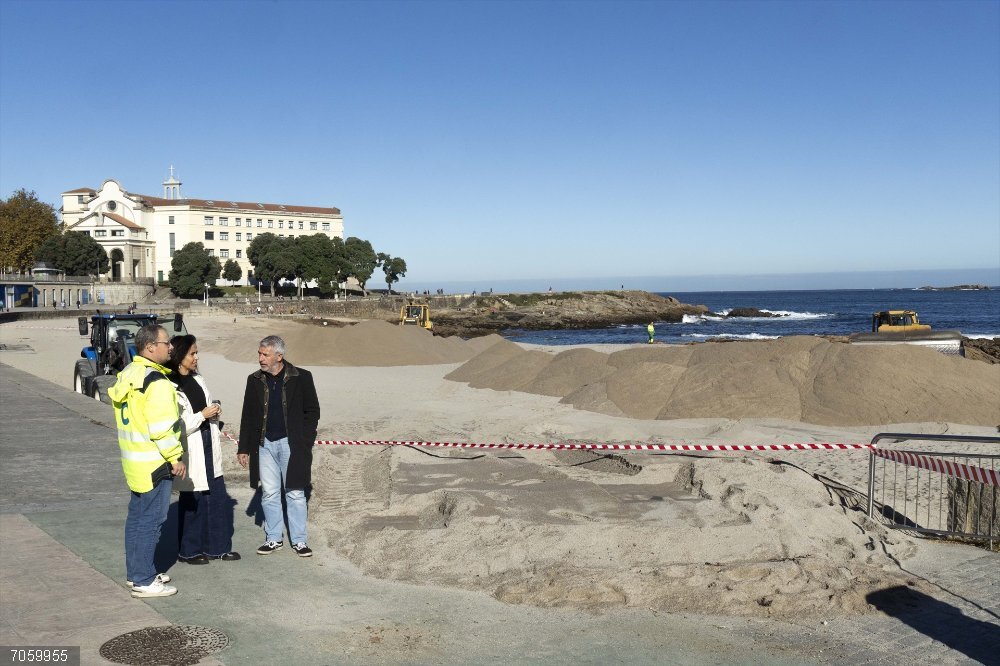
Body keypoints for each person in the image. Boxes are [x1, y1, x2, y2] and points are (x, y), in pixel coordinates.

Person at [107, 324, 187, 598]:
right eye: (167, 343)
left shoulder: (129, 373)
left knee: (137, 519)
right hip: (154, 462)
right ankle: (143, 579)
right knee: (151, 521)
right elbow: (162, 427)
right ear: (151, 347)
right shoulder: (157, 382)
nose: (171, 347)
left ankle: (138, 572)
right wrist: (175, 458)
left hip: (134, 461)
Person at [238, 335, 320, 557]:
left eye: (265, 354)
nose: (260, 359)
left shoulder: (302, 377)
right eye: (259, 353)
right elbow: (248, 415)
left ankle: (299, 541)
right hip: (264, 445)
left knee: (295, 492)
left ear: (279, 356)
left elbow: (312, 412)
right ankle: (273, 538)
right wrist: (244, 447)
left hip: (291, 445)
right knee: (269, 493)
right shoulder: (254, 380)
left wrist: (304, 441)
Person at [168, 334, 240, 565]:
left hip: (209, 440)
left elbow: (206, 407)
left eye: (197, 353)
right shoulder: (170, 386)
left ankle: (218, 548)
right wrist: (202, 415)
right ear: (180, 356)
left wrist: (215, 410)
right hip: (191, 447)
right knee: (193, 498)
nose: (197, 357)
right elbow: (177, 425)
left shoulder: (198, 379)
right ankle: (189, 551)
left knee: (216, 496)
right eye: (192, 353)